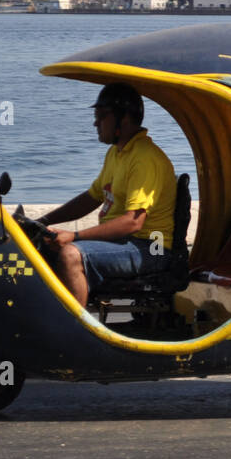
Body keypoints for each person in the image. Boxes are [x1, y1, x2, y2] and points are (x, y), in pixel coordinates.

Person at [38, 83, 176, 304]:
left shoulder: (145, 159)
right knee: (43, 246)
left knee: (71, 255)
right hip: (124, 243)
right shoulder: (117, 153)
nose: (95, 123)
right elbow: (91, 197)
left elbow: (133, 223)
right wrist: (42, 221)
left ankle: (76, 331)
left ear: (124, 119)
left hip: (150, 249)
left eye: (102, 116)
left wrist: (74, 237)